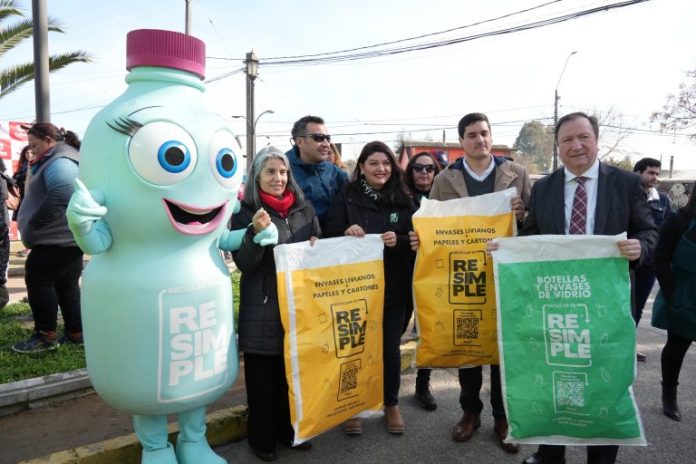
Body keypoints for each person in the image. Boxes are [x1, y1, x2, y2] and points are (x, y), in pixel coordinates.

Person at [519, 112, 657, 464]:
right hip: (557, 302)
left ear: (596, 139)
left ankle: (601, 457)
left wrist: (641, 247)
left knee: (604, 382)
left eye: (583, 137)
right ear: (558, 146)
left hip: (608, 305)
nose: (576, 145)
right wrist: (506, 250)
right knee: (557, 375)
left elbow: (648, 230)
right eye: (567, 140)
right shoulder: (544, 188)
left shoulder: (626, 183)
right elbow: (531, 237)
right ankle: (550, 454)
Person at [410, 113, 529, 453]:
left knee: (502, 349)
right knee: (468, 343)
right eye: (473, 135)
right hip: (463, 273)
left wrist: (522, 214)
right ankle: (470, 412)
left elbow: (534, 222)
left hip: (504, 274)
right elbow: (432, 224)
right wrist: (421, 239)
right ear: (461, 141)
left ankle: (503, 417)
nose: (480, 140)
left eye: (485, 133)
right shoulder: (445, 179)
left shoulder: (516, 173)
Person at [231, 146, 320, 462]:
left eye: (283, 172)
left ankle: (290, 431)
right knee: (262, 381)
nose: (278, 178)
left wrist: (316, 243)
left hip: (299, 307)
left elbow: (317, 240)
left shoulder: (303, 209)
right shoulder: (246, 212)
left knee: (292, 376)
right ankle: (262, 439)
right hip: (264, 306)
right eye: (270, 171)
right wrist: (255, 234)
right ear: (256, 176)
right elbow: (245, 263)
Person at [325, 141, 416, 436]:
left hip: (393, 289)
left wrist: (400, 240)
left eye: (386, 163)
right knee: (354, 350)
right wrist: (345, 231)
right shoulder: (347, 197)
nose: (381, 169)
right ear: (362, 167)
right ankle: (352, 407)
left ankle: (391, 404)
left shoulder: (403, 198)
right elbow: (328, 232)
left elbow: (418, 238)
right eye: (374, 163)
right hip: (354, 291)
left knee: (389, 350)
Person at [12, 123, 83, 354]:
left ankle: (45, 337)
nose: (31, 150)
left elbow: (63, 191)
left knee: (39, 281)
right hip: (64, 238)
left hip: (54, 239)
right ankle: (75, 333)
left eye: (34, 145)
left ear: (48, 140)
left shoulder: (60, 161)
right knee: (66, 286)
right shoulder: (60, 158)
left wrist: (35, 222)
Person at [652, 185, 696, 422]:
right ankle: (669, 394)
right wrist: (672, 294)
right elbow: (660, 258)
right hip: (683, 295)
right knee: (677, 347)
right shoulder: (678, 220)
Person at [404, 151, 441, 411]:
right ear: (411, 171)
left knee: (427, 331)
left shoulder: (444, 200)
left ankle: (422, 385)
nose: (424, 173)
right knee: (395, 330)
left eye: (429, 168)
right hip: (403, 271)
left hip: (433, 274)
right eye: (418, 168)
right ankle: (383, 387)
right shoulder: (400, 197)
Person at [632, 158, 671, 361]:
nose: (655, 177)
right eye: (650, 173)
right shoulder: (626, 196)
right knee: (618, 305)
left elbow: (667, 232)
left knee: (638, 306)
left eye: (657, 173)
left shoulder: (662, 201)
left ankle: (628, 346)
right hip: (625, 262)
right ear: (637, 173)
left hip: (649, 265)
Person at [287, 115, 348, 229]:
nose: (326, 144)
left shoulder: (339, 175)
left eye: (327, 138)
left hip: (333, 238)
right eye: (319, 138)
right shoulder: (282, 171)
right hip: (295, 239)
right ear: (300, 141)